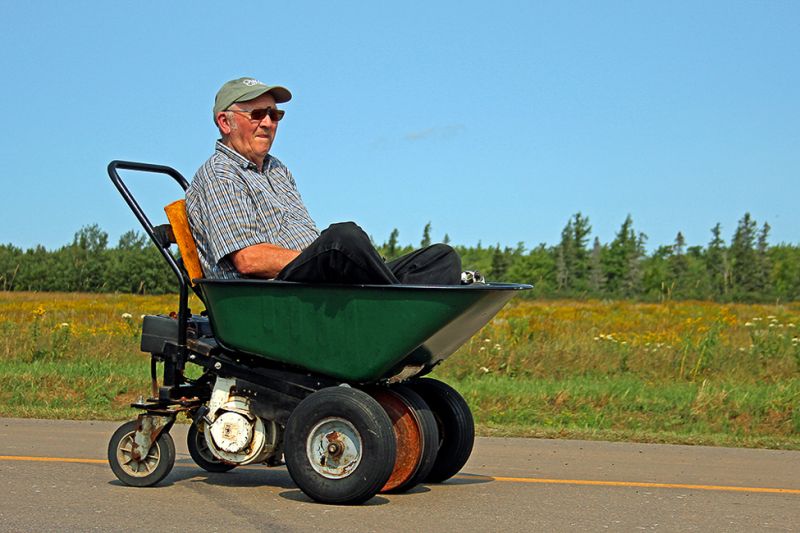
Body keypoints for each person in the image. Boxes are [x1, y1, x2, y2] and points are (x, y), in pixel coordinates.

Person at [186, 77, 463, 285]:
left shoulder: (277, 170)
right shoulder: (220, 173)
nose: (268, 123)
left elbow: (308, 241)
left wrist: (335, 261)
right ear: (225, 122)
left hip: (315, 286)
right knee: (343, 238)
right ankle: (388, 314)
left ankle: (395, 324)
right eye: (257, 114)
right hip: (267, 300)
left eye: (274, 114)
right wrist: (329, 259)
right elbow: (249, 260)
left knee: (440, 258)